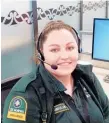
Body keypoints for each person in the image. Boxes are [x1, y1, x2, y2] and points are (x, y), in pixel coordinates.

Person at [3, 20, 109, 123]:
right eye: (54, 50)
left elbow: (106, 112)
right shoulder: (25, 95)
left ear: (78, 49)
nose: (64, 56)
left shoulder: (87, 76)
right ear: (41, 54)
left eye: (70, 47)